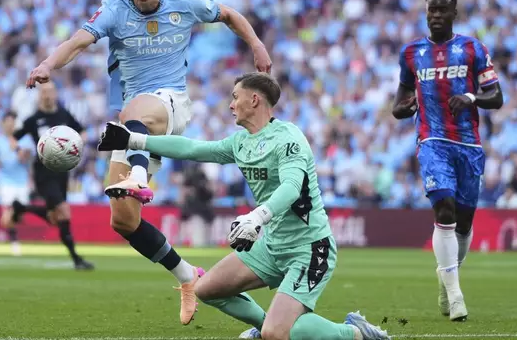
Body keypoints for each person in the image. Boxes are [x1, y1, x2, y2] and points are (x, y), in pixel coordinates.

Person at [24, 0, 272, 324]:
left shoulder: (183, 1)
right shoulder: (114, 10)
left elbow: (230, 15)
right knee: (123, 219)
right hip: (134, 124)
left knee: (134, 109)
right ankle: (187, 275)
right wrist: (47, 65)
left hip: (170, 103)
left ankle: (138, 176)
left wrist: (256, 44)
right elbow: (77, 41)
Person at [97, 72, 389, 340]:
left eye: (235, 97)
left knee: (279, 334)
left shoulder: (288, 138)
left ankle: (354, 333)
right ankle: (264, 327)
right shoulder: (241, 142)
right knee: (206, 289)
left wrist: (258, 217)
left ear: (254, 99)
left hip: (309, 249)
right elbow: (193, 149)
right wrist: (134, 139)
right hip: (272, 246)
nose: (230, 104)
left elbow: (291, 187)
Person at [392, 0, 504, 321]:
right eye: (431, 10)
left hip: (468, 145)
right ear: (426, 12)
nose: (436, 15)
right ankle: (456, 296)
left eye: (443, 10)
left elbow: (495, 97)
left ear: (454, 12)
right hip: (432, 140)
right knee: (444, 208)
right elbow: (399, 104)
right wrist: (404, 107)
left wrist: (470, 98)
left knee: (464, 223)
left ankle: (446, 278)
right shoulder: (411, 54)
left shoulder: (472, 48)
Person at [2, 82, 94, 270]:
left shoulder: (63, 114)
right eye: (44, 92)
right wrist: (19, 150)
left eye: (51, 91)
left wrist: (78, 144)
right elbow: (13, 138)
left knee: (54, 218)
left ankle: (21, 208)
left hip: (62, 173)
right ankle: (77, 259)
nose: (47, 95)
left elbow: (82, 131)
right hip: (44, 171)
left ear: (55, 93)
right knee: (64, 211)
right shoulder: (34, 119)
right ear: (39, 95)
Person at [0, 111, 33, 256]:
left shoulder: (25, 139)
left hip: (21, 181)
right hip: (6, 181)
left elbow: (26, 159)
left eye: (12, 122)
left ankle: (14, 230)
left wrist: (16, 147)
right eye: (7, 122)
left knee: (19, 214)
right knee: (7, 215)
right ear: (3, 124)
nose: (10, 125)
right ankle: (14, 242)